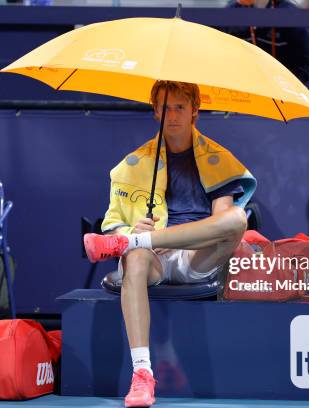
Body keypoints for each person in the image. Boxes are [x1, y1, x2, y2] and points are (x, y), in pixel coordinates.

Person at [83, 80, 256, 407]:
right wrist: (130, 230)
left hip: (199, 259)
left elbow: (223, 225)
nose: (172, 115)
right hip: (154, 261)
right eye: (165, 107)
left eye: (180, 106)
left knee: (237, 219)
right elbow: (109, 231)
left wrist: (143, 238)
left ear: (195, 111)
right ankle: (142, 374)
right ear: (155, 111)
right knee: (133, 256)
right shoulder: (133, 165)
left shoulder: (218, 159)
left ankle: (138, 240)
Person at [225, 0, 309, 84]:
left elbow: (306, 59)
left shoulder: (289, 13)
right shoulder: (231, 12)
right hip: (242, 88)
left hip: (281, 89)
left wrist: (291, 87)